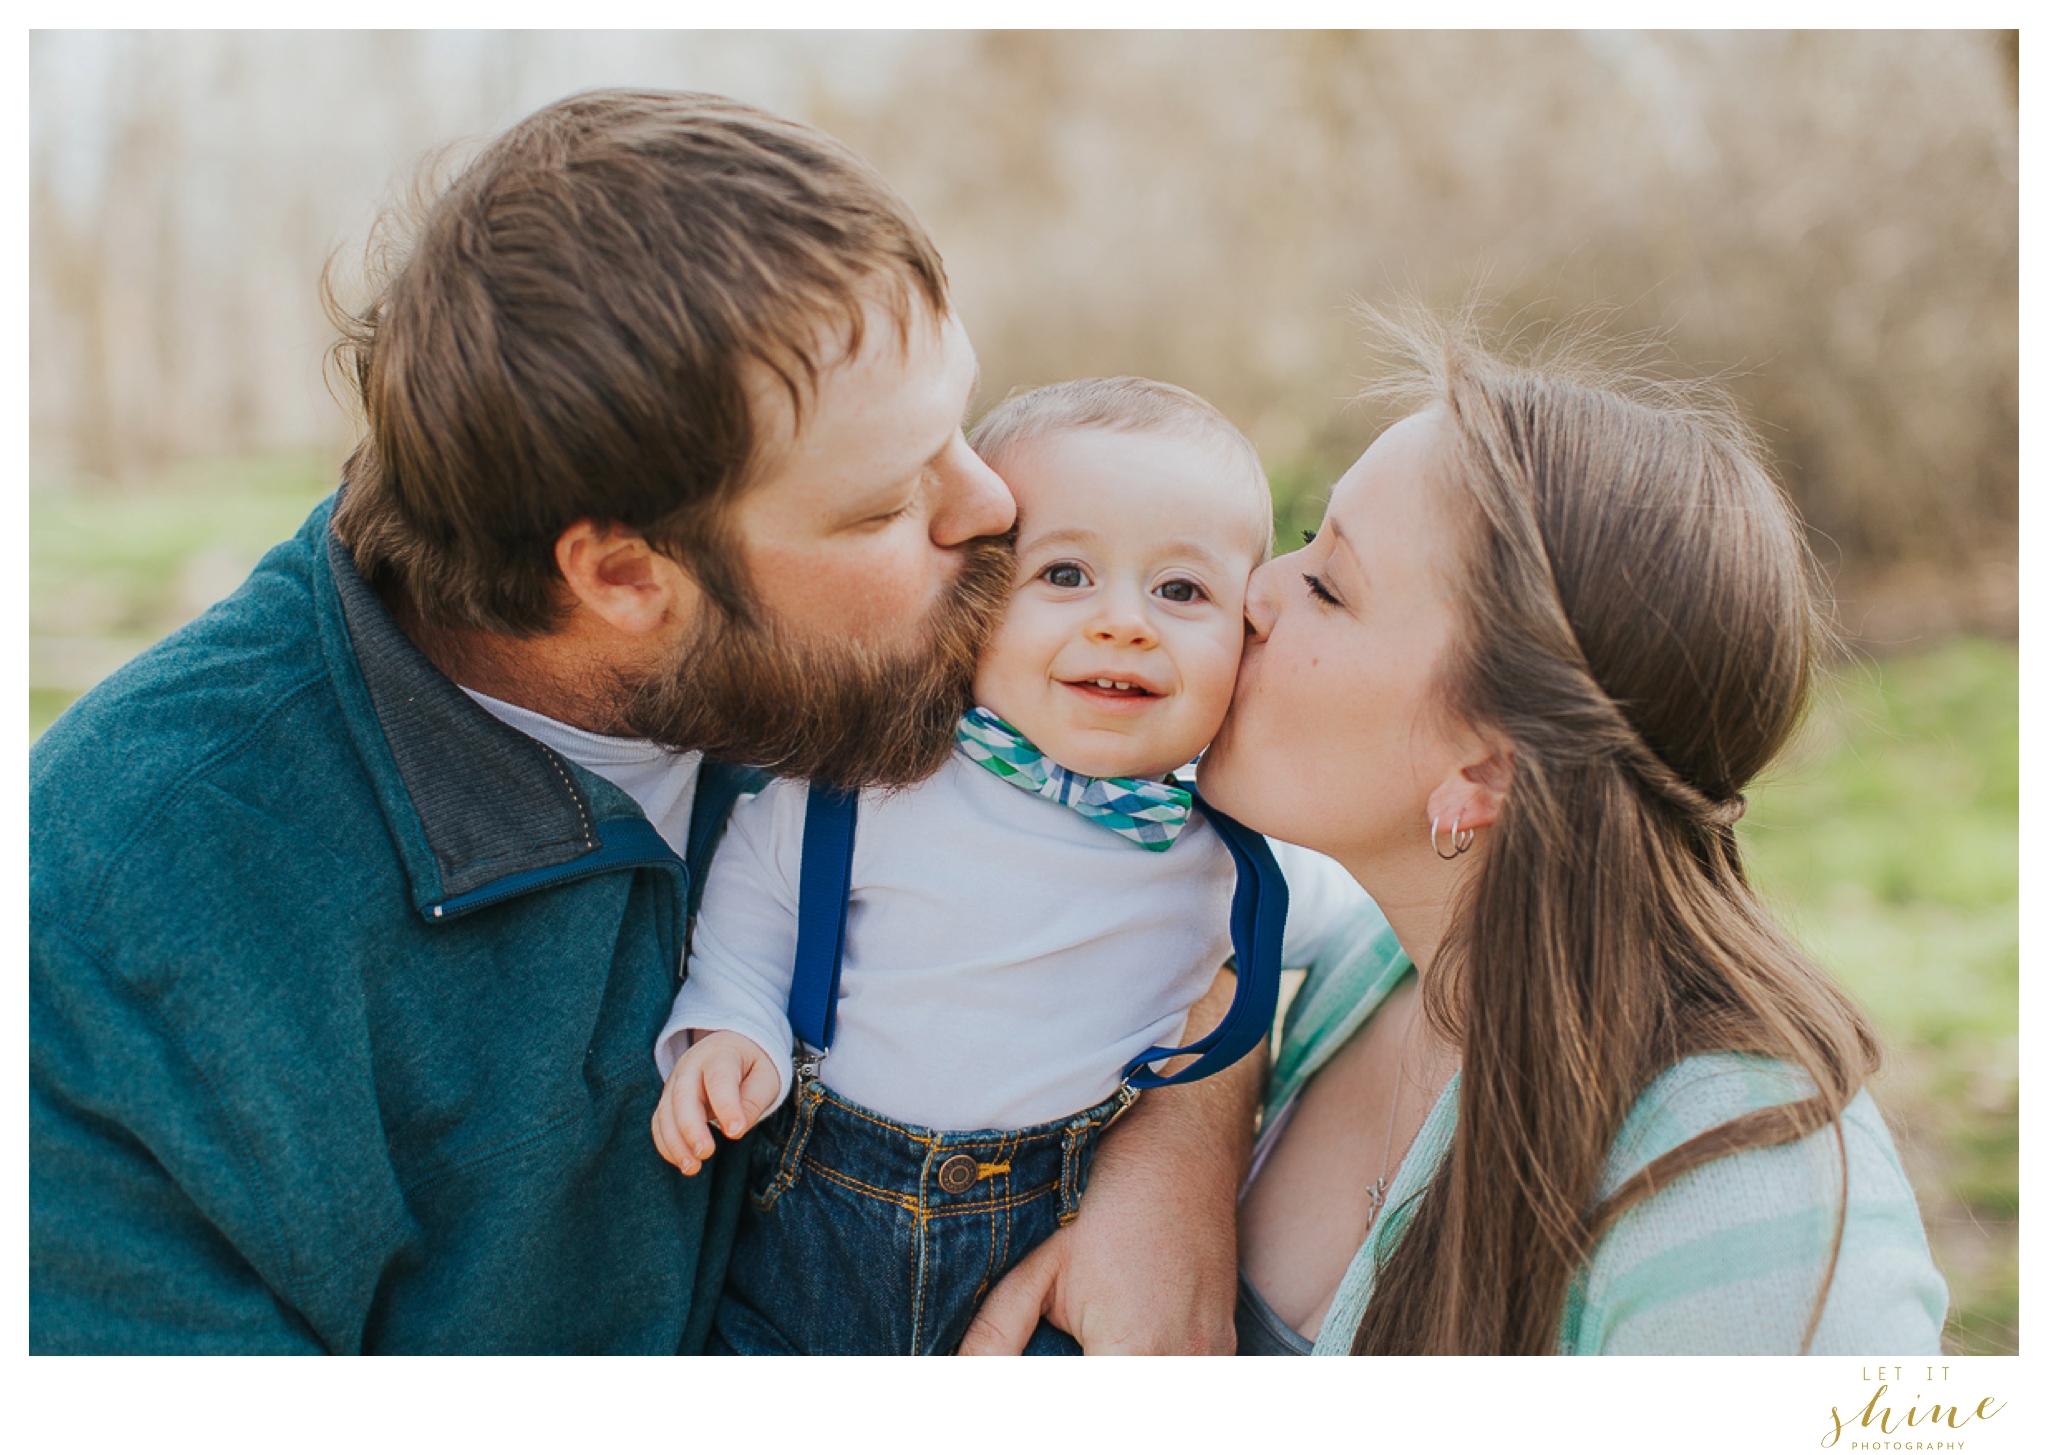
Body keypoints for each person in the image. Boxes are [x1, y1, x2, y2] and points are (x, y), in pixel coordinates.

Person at [28, 91, 1256, 1354]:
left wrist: (1177, 1158)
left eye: (958, 424)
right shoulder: (111, 913)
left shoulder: (909, 637)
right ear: (623, 580)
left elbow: (1230, 869)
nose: (991, 507)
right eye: (891, 499)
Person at [1199, 313, 1951, 1355]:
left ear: (1487, 769)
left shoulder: (1739, 1198)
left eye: (1327, 585)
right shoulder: (1375, 967)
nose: (1252, 594)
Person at [649, 378, 1371, 1354]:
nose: (1124, 622)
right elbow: (757, 889)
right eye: (1064, 575)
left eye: (1181, 591)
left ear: (1245, 637)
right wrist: (733, 1022)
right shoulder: (878, 777)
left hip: (1046, 1263)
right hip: (810, 1237)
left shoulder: (1235, 856)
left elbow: (1390, 932)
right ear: (972, 603)